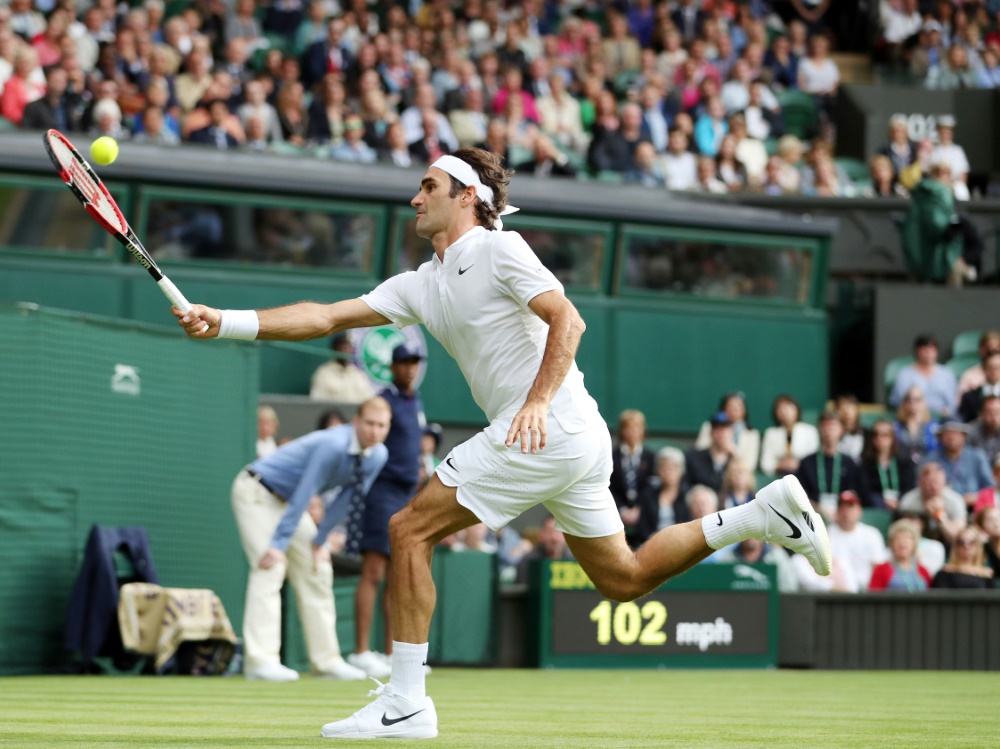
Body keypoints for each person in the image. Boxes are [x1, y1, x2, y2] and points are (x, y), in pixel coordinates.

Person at [174, 148, 831, 739]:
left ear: (465, 195)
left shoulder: (499, 247)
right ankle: (761, 512)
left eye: (427, 185)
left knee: (408, 529)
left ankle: (406, 700)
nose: (414, 197)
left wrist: (538, 400)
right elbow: (326, 317)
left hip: (545, 425)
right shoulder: (422, 282)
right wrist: (225, 321)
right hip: (576, 436)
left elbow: (565, 319)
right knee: (623, 578)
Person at [231, 397, 391, 682]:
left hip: (287, 503)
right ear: (355, 422)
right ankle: (260, 661)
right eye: (369, 424)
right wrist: (278, 545)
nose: (374, 431)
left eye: (381, 426)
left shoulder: (378, 455)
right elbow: (308, 490)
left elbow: (350, 496)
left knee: (319, 570)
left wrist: (320, 540)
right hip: (256, 491)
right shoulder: (332, 445)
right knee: (271, 566)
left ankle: (326, 661)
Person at [348, 344, 426, 681]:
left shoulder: (415, 401)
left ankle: (393, 654)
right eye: (404, 363)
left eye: (414, 363)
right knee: (374, 572)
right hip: (382, 491)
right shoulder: (386, 401)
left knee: (399, 576)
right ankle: (362, 652)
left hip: (407, 495)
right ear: (392, 366)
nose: (409, 369)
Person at [796, 411, 862, 519]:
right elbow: (800, 495)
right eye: (826, 426)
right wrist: (818, 508)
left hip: (842, 516)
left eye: (834, 426)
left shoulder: (849, 463)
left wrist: (840, 511)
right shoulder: (806, 462)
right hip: (811, 516)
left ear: (841, 430)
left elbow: (852, 493)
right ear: (820, 430)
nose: (829, 431)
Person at [610, 409, 656, 546]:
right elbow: (610, 486)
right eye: (628, 427)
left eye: (637, 427)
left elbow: (650, 486)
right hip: (616, 510)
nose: (633, 432)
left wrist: (639, 508)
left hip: (643, 510)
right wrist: (622, 509)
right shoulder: (612, 456)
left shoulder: (650, 457)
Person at [922, 420, 994, 508]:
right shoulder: (930, 459)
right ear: (941, 437)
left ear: (964, 436)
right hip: (942, 505)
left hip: (973, 507)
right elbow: (921, 485)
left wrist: (976, 497)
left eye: (956, 433)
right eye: (948, 433)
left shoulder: (977, 456)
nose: (951, 437)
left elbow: (990, 487)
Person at [827, 491, 888, 589]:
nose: (847, 513)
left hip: (869, 589)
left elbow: (878, 565)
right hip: (840, 589)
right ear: (837, 512)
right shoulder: (826, 534)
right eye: (843, 509)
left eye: (850, 508)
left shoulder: (872, 534)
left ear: (859, 511)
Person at [898, 461, 967, 545]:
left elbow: (958, 537)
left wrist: (939, 514)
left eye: (937, 483)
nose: (934, 488)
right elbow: (901, 534)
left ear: (944, 482)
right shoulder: (908, 501)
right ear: (920, 483)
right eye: (929, 484)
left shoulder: (955, 501)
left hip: (948, 547)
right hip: (917, 545)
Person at [888, 334, 957, 417]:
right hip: (912, 418)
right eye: (925, 348)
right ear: (917, 351)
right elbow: (899, 401)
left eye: (932, 348)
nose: (929, 352)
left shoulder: (946, 373)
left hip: (941, 419)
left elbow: (953, 403)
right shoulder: (904, 374)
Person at [634, 446, 689, 548]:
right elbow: (642, 528)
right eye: (664, 467)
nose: (668, 472)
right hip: (652, 544)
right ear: (658, 471)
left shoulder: (687, 496)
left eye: (673, 467)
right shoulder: (648, 495)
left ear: (681, 470)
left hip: (679, 545)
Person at [694, 392, 760, 472]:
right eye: (730, 406)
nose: (734, 409)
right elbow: (698, 451)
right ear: (723, 408)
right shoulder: (709, 426)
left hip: (735, 476)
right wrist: (717, 446)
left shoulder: (752, 434)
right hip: (708, 471)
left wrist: (734, 452)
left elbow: (750, 466)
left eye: (738, 406)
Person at [858, 419, 916, 510]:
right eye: (875, 435)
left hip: (902, 508)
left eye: (885, 435)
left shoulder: (905, 462)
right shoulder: (865, 464)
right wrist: (883, 502)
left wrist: (899, 501)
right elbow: (865, 492)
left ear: (892, 438)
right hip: (876, 509)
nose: (879, 438)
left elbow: (910, 488)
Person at [310, 332, 377, 403]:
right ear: (335, 348)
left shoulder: (358, 374)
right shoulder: (324, 374)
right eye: (343, 347)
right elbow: (317, 403)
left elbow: (369, 400)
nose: (346, 350)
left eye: (349, 347)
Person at [868, 519, 932, 592]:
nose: (902, 542)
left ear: (915, 544)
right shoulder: (881, 570)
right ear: (891, 544)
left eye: (908, 538)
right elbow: (873, 598)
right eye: (898, 538)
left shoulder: (923, 571)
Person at [685, 412, 735, 494]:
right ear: (711, 432)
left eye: (725, 429)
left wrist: (734, 457)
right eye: (718, 429)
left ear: (731, 433)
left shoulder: (734, 460)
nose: (721, 433)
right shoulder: (694, 457)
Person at [932, 526, 996, 589]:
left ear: (978, 546)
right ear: (955, 546)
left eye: (972, 542)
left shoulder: (987, 574)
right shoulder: (945, 572)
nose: (966, 546)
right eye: (961, 542)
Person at [894, 385, 938, 464]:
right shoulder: (896, 427)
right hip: (902, 467)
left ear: (924, 402)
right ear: (904, 402)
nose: (912, 402)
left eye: (917, 399)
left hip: (927, 468)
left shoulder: (933, 426)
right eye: (908, 399)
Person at [957, 331, 1000, 402]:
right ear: (981, 350)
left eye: (996, 350)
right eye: (989, 349)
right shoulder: (969, 376)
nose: (992, 352)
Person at [958, 352, 1000, 424]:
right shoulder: (969, 397)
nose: (994, 372)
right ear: (983, 369)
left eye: (997, 368)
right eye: (990, 368)